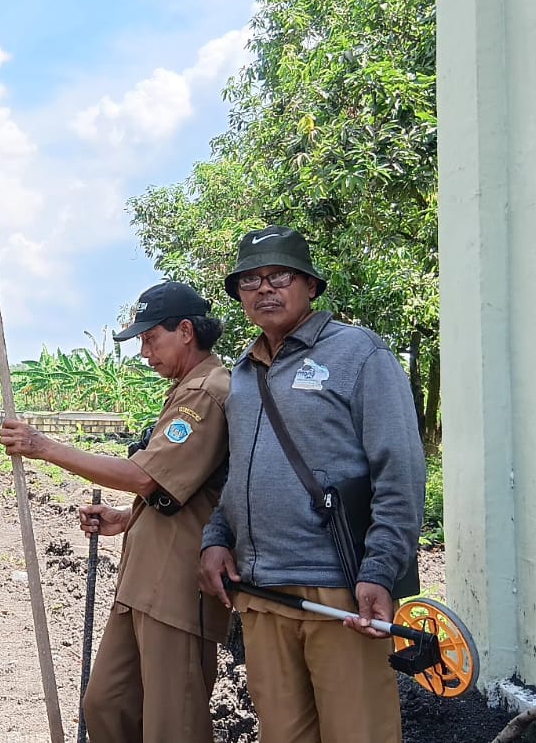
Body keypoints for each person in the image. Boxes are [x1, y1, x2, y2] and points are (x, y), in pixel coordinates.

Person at [198, 226, 425, 743]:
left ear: (310, 285)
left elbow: (401, 468)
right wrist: (216, 540)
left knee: (358, 734)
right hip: (260, 593)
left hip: (341, 592)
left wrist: (381, 571)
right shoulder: (243, 372)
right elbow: (238, 472)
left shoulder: (358, 353)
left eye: (279, 275)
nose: (264, 288)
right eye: (249, 280)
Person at [0, 281, 231, 743]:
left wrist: (42, 447)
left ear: (185, 331)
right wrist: (127, 519)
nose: (144, 353)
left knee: (173, 725)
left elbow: (146, 476)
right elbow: (185, 490)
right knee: (107, 703)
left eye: (150, 339)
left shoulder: (206, 393)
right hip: (143, 580)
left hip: (176, 590)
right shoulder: (185, 389)